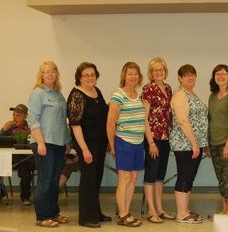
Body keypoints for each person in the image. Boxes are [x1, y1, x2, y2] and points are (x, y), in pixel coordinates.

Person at [27, 61, 71, 228]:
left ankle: (54, 213)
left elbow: (62, 121)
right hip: (44, 143)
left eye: (53, 71)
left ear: (56, 74)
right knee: (45, 180)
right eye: (46, 72)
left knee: (54, 180)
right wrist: (40, 142)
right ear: (41, 75)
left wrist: (67, 141)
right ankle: (42, 216)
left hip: (59, 143)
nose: (50, 74)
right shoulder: (38, 93)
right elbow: (33, 119)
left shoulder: (59, 94)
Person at [67, 62, 111, 228]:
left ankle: (96, 213)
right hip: (87, 144)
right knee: (88, 180)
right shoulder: (77, 95)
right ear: (79, 77)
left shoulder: (96, 91)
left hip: (99, 143)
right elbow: (75, 125)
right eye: (86, 75)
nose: (90, 77)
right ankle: (86, 218)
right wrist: (84, 149)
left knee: (96, 178)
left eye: (92, 74)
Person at [107, 62, 145, 227]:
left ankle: (127, 212)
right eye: (130, 74)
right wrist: (113, 146)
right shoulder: (118, 95)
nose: (133, 77)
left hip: (138, 143)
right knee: (124, 178)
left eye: (136, 74)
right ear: (124, 75)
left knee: (133, 177)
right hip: (124, 142)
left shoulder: (138, 95)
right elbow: (110, 123)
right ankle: (122, 215)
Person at [170, 64, 208, 223]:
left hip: (195, 144)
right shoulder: (180, 95)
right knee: (184, 177)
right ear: (179, 78)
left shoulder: (191, 94)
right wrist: (194, 143)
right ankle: (181, 214)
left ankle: (185, 210)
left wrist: (201, 143)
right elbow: (183, 121)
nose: (190, 77)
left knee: (189, 177)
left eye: (192, 74)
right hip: (185, 144)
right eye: (186, 75)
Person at [142, 57, 174, 223]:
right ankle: (151, 210)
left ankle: (160, 208)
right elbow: (145, 118)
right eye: (155, 70)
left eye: (161, 69)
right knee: (151, 174)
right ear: (151, 73)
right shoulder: (148, 89)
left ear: (165, 71)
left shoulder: (168, 88)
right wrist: (151, 142)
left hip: (165, 137)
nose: (158, 72)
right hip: (152, 138)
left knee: (160, 175)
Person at [207, 64, 228, 216]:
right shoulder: (212, 96)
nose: (220, 76)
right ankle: (225, 208)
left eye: (224, 74)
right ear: (214, 77)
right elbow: (211, 120)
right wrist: (208, 143)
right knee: (221, 178)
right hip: (214, 143)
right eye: (217, 74)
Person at [0, 104, 35, 205]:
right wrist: (3, 130)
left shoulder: (31, 128)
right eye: (14, 115)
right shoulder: (9, 127)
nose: (15, 117)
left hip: (26, 158)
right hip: (11, 158)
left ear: (25, 116)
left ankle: (25, 197)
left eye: (18, 115)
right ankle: (1, 192)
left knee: (25, 168)